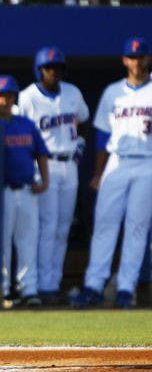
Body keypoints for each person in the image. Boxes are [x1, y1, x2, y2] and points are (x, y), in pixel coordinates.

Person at [72, 36, 152, 309]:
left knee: (137, 227)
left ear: (147, 58)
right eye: (132, 57)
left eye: (141, 56)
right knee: (105, 223)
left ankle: (126, 288)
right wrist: (98, 171)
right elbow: (103, 135)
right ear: (124, 60)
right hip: (117, 161)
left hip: (147, 162)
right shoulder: (112, 92)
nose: (137, 61)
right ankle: (94, 284)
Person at [17, 47, 89, 305]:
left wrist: (76, 142)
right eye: (49, 68)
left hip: (69, 164)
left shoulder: (72, 92)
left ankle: (53, 282)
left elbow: (81, 118)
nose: (54, 72)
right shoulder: (27, 97)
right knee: (47, 227)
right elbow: (21, 130)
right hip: (43, 164)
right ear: (39, 70)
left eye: (57, 67)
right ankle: (40, 285)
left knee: (62, 227)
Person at [0, 75, 49, 307]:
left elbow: (41, 153)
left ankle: (29, 290)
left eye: (10, 95)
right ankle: (4, 291)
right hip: (2, 193)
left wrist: (44, 180)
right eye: (1, 95)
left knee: (28, 241)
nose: (6, 100)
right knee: (2, 244)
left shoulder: (25, 123)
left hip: (26, 190)